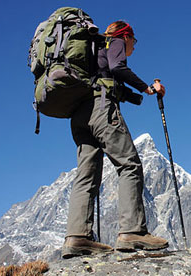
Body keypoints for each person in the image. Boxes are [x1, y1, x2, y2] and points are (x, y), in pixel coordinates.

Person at [61, 20, 169, 258]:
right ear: (127, 35)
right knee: (129, 165)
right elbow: (118, 67)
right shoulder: (115, 41)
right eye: (134, 41)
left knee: (86, 175)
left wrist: (135, 96)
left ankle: (77, 237)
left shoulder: (91, 50)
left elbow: (108, 78)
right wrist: (147, 89)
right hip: (101, 110)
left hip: (79, 116)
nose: (133, 46)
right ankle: (132, 231)